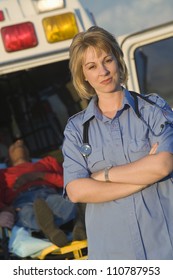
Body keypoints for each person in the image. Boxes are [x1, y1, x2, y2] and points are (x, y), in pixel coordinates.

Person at [62, 26, 173, 259]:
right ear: (83, 75)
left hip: (164, 247)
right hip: (112, 255)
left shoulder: (152, 109)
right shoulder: (75, 130)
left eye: (107, 60)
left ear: (118, 60)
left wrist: (103, 176)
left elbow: (163, 166)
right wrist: (142, 180)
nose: (103, 71)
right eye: (92, 66)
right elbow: (76, 190)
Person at [0, 139, 78, 247]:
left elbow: (67, 183)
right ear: (7, 159)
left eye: (23, 144)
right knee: (27, 213)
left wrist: (39, 175)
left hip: (48, 193)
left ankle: (58, 231)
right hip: (22, 201)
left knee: (66, 204)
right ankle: (56, 231)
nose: (19, 142)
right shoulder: (3, 174)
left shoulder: (47, 162)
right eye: (13, 145)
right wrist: (5, 209)